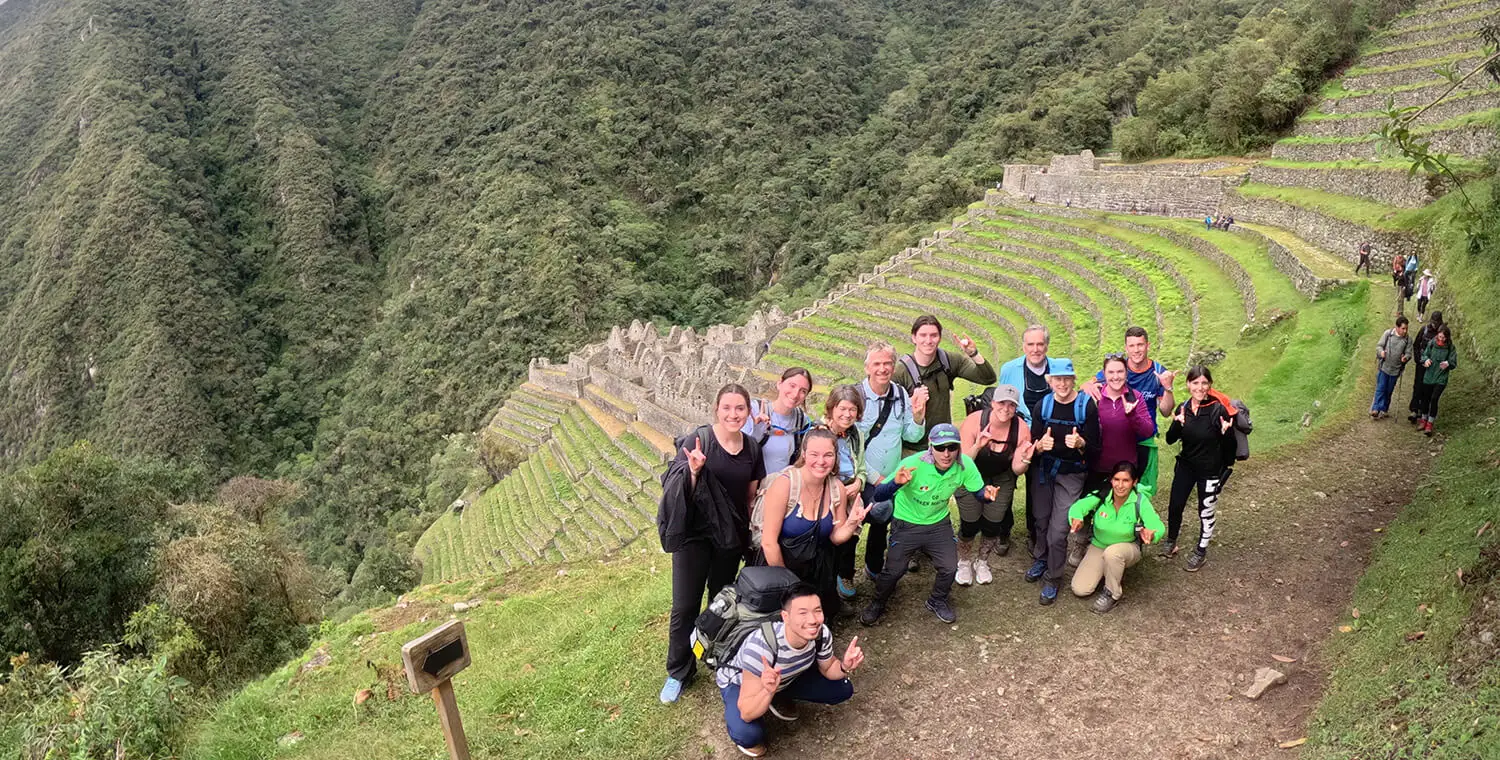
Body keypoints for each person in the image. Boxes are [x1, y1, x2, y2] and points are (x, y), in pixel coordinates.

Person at [660, 384, 765, 703]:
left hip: (729, 537)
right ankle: (678, 670)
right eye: (727, 408)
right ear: (716, 409)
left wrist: (749, 536)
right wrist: (693, 471)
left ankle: (713, 653)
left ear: (748, 412)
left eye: (740, 408)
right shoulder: (699, 440)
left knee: (720, 601)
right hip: (695, 537)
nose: (733, 414)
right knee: (684, 606)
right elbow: (679, 489)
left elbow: (749, 496)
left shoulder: (751, 448)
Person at [859, 423, 998, 625]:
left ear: (959, 448)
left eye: (952, 447)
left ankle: (937, 600)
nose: (946, 453)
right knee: (894, 570)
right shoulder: (913, 464)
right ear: (930, 447)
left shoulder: (965, 464)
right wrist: (895, 483)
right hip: (907, 524)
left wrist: (987, 495)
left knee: (950, 568)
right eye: (940, 447)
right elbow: (880, 495)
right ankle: (878, 602)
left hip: (938, 524)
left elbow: (978, 492)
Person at [716, 583, 865, 758]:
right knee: (748, 734)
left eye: (817, 610)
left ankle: (779, 694)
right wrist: (766, 691)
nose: (813, 620)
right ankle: (771, 698)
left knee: (842, 688)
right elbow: (747, 712)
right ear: (785, 617)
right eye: (802, 613)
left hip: (782, 678)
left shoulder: (821, 633)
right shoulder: (761, 646)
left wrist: (844, 666)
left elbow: (828, 667)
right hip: (741, 683)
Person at [758, 429, 870, 615]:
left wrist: (852, 523)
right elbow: (768, 543)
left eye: (828, 455)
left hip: (818, 569)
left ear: (836, 457)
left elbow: (835, 537)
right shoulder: (784, 485)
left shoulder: (837, 489)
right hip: (780, 566)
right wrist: (791, 588)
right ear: (803, 454)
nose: (821, 461)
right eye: (814, 454)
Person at [1024, 359, 1100, 606]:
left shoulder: (1085, 406)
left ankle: (1054, 577)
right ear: (1050, 381)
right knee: (1041, 520)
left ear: (1073, 379)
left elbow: (1096, 448)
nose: (1063, 383)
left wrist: (1081, 444)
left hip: (1072, 474)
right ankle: (1042, 558)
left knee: (1058, 530)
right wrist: (1039, 446)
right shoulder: (1043, 406)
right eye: (1058, 379)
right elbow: (1034, 441)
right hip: (1044, 471)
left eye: (1067, 378)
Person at [850, 342, 927, 584]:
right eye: (877, 364)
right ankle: (844, 574)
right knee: (853, 523)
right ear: (867, 367)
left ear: (893, 367)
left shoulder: (900, 394)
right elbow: (851, 445)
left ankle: (873, 567)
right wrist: (875, 478)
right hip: (861, 475)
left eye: (887, 363)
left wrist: (918, 414)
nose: (882, 369)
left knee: (882, 522)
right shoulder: (856, 397)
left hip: (891, 476)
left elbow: (911, 436)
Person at [1073, 353, 1156, 564]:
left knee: (1123, 507)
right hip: (1098, 464)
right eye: (1111, 372)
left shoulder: (1134, 397)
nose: (1116, 376)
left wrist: (1132, 415)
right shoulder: (1094, 396)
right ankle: (1081, 544)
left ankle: (1126, 545)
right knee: (1090, 504)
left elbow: (1147, 430)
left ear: (1126, 373)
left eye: (1120, 371)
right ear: (1104, 374)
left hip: (1125, 468)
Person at [1080, 327, 1176, 500]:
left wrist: (1168, 388)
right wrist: (1087, 386)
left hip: (1142, 441)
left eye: (1140, 345)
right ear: (1126, 347)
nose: (1136, 350)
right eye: (1132, 345)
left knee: (1136, 492)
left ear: (1148, 345)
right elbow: (1087, 385)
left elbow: (1165, 410)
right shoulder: (1118, 368)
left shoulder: (1158, 373)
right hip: (1114, 439)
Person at [1162, 366, 1236, 573]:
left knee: (1206, 511)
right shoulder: (1183, 408)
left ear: (1210, 385)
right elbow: (1170, 440)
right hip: (1186, 466)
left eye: (1204, 383)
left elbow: (1230, 450)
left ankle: (1201, 551)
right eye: (1195, 383)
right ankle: (1171, 540)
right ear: (1188, 384)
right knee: (1175, 505)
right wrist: (1177, 424)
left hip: (1210, 470)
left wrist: (1226, 433)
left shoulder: (1217, 410)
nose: (1200, 388)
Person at [958, 384, 1034, 583]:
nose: (1005, 409)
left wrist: (1025, 459)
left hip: (1002, 479)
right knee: (970, 524)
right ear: (992, 403)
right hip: (971, 477)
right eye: (1001, 403)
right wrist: (978, 445)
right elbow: (964, 463)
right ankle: (964, 562)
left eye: (1011, 405)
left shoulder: (1021, 428)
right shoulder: (974, 422)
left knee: (993, 525)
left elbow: (1017, 469)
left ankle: (982, 561)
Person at [1068, 461, 1165, 613]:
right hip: (1099, 545)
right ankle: (1108, 570)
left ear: (1134, 482)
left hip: (1127, 547)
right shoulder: (1102, 495)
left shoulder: (1139, 501)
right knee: (1080, 589)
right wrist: (1076, 517)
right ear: (1111, 480)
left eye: (1126, 480)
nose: (1120, 485)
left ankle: (1112, 593)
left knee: (1113, 554)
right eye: (1117, 480)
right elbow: (1078, 507)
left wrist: (1152, 533)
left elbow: (1157, 525)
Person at [891, 315, 997, 452]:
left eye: (933, 335)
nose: (928, 341)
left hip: (944, 445)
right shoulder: (901, 371)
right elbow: (888, 411)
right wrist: (910, 402)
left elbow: (988, 378)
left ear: (940, 338)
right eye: (923, 335)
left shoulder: (949, 361)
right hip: (912, 448)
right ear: (913, 338)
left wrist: (973, 353)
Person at [813, 386, 871, 600]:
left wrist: (859, 482)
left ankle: (844, 575)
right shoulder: (818, 432)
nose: (847, 415)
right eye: (842, 408)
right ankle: (826, 588)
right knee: (828, 540)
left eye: (852, 410)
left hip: (850, 490)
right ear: (831, 408)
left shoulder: (856, 434)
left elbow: (861, 468)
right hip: (826, 492)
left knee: (850, 538)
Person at [743, 368, 814, 474]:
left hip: (779, 486)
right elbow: (734, 448)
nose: (795, 394)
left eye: (803, 391)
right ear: (780, 383)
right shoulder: (755, 410)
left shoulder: (800, 419)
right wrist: (753, 433)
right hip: (752, 485)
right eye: (792, 385)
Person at [998, 325, 1062, 423]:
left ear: (1047, 346)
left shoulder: (1059, 369)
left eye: (1040, 344)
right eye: (1030, 344)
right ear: (1024, 347)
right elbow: (1001, 404)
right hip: (1020, 429)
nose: (1035, 350)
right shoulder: (1009, 370)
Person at [1415, 325, 1457, 436]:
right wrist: (1426, 360)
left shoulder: (1450, 347)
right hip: (1429, 375)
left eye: (1443, 337)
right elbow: (1424, 355)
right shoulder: (1432, 343)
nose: (1441, 339)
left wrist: (1448, 363)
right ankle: (1423, 420)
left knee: (1434, 399)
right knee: (1425, 398)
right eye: (1439, 336)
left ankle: (1430, 423)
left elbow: (1453, 362)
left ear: (1447, 337)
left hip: (1441, 378)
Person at [1370, 316, 1412, 419]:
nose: (1405, 330)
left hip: (1396, 369)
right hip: (1384, 366)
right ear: (1397, 327)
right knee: (1381, 388)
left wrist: (1405, 358)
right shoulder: (1388, 334)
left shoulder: (1408, 339)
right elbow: (1379, 346)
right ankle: (1375, 409)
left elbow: (1409, 353)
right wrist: (1382, 352)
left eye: (1406, 328)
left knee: (1389, 390)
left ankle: (1384, 409)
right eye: (1403, 328)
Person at [1408, 311, 1444, 424]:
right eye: (1433, 322)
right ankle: (1414, 409)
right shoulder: (1424, 330)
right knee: (1418, 385)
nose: (1434, 325)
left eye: (1436, 322)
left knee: (1427, 389)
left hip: (1433, 367)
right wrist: (1418, 360)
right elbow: (1416, 345)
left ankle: (1423, 411)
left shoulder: (1441, 334)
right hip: (1421, 363)